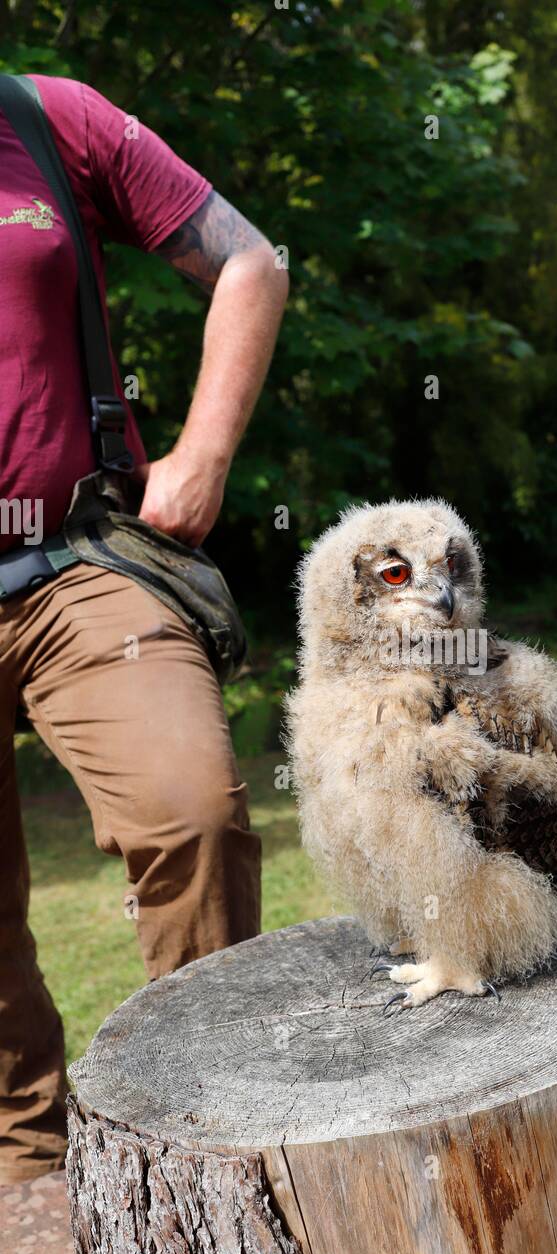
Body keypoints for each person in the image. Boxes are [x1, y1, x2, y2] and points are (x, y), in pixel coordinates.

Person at [0, 75, 288, 1183]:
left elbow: (249, 263)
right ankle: (26, 1181)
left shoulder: (51, 121)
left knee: (193, 814)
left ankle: (217, 1142)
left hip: (82, 562)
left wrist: (205, 452)